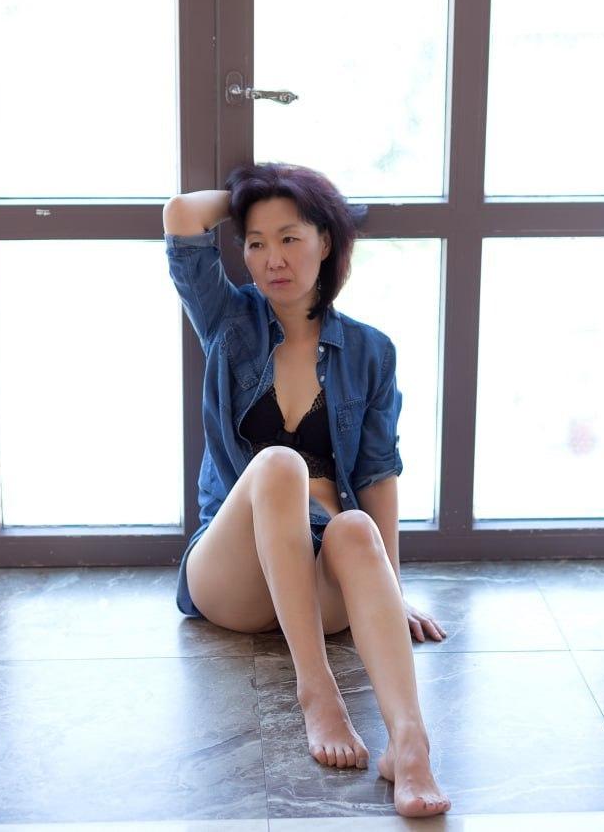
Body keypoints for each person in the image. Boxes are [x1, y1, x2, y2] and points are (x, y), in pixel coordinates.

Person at [163, 162, 451, 818]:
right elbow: (182, 215)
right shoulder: (230, 323)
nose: (273, 259)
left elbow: (376, 475)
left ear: (327, 241)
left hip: (320, 575)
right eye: (256, 242)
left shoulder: (371, 352)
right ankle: (316, 688)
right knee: (279, 466)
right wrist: (253, 195)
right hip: (233, 574)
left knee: (353, 527)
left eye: (290, 238)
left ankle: (409, 746)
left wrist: (390, 589)